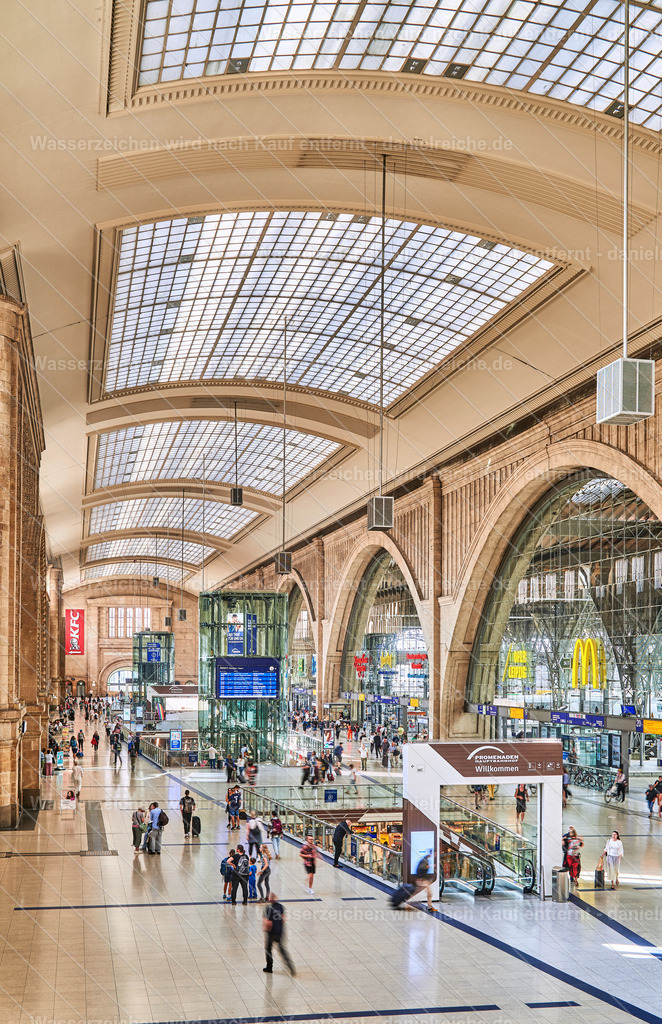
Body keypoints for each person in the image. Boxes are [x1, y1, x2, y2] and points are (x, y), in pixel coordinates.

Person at [262, 892, 295, 975]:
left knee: (268, 949)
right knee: (282, 950)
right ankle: (290, 966)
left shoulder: (268, 908)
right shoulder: (280, 906)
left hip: (271, 933)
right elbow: (283, 919)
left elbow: (268, 923)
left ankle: (269, 967)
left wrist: (266, 931)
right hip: (280, 932)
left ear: (269, 899)